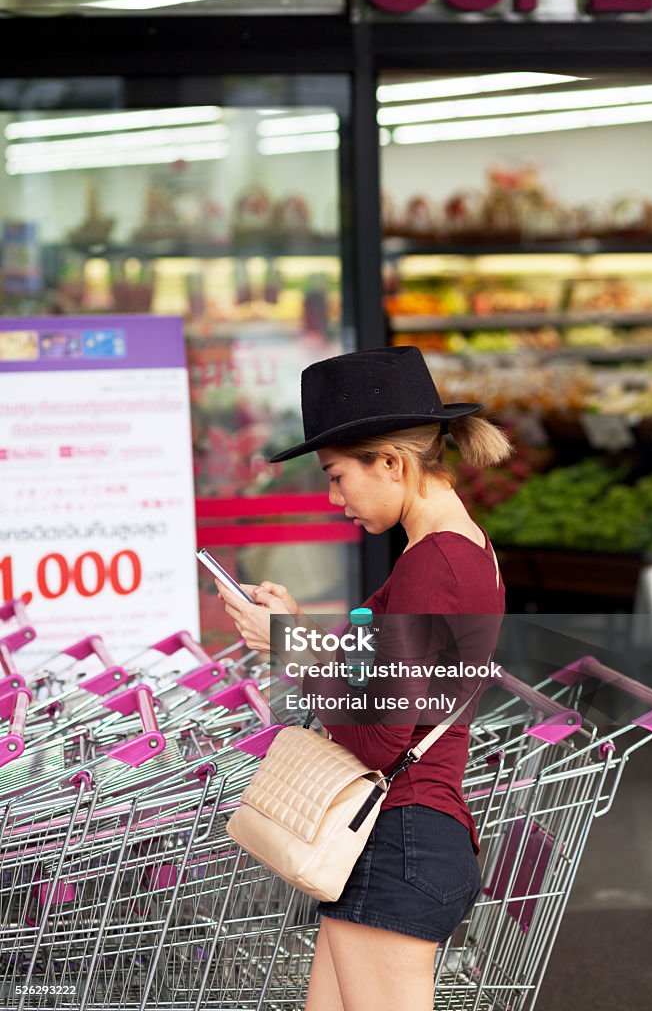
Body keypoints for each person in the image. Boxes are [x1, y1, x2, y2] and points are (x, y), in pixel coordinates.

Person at [215, 346, 512, 1011]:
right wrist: (295, 627)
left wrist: (288, 650)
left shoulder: (432, 565)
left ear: (391, 462)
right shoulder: (457, 548)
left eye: (337, 475)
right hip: (399, 838)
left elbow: (380, 737)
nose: (332, 497)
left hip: (401, 838)